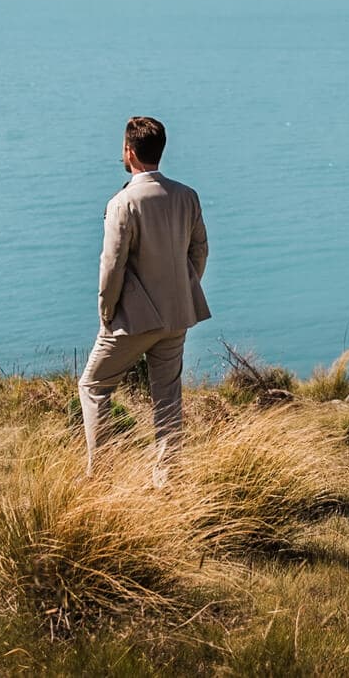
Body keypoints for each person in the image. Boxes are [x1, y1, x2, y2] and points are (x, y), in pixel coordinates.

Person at [79, 116, 209, 476]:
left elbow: (112, 264)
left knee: (92, 386)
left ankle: (102, 472)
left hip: (133, 318)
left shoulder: (123, 202)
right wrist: (183, 287)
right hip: (177, 313)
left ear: (130, 151)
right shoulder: (187, 196)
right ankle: (167, 478)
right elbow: (199, 251)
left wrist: (107, 310)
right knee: (167, 397)